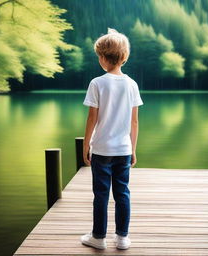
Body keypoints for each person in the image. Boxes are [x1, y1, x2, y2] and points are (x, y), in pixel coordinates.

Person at [80, 28, 144, 250]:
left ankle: (98, 237)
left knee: (100, 194)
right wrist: (133, 149)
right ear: (124, 57)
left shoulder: (97, 83)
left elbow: (92, 118)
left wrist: (86, 144)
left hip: (101, 150)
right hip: (124, 150)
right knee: (122, 192)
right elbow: (134, 122)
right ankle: (123, 238)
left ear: (102, 58)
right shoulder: (132, 84)